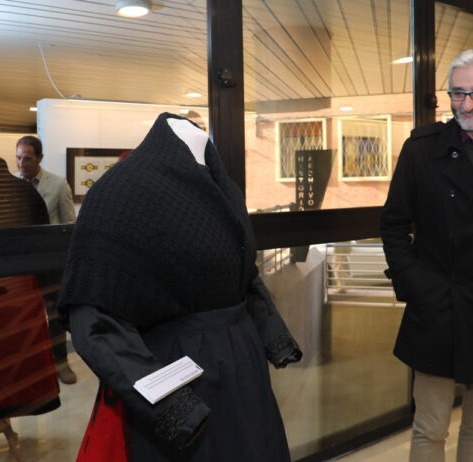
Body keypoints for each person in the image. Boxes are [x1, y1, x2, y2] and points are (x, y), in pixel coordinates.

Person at [56, 112, 302, 461]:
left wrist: (272, 335)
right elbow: (92, 317)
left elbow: (240, 274)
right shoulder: (121, 190)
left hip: (242, 365)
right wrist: (169, 405)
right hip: (178, 367)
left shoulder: (224, 187)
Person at [380, 48, 473, 462]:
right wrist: (417, 287)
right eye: (457, 93)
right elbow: (394, 225)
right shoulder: (421, 149)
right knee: (430, 428)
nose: (467, 104)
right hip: (436, 307)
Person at [0, 156, 60, 459]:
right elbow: (40, 240)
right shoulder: (23, 191)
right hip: (18, 288)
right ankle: (2, 413)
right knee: (15, 352)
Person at [16, 135, 77, 384]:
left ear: (39, 158)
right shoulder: (10, 184)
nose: (21, 163)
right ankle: (28, 367)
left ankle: (61, 363)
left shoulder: (58, 185)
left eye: (27, 158)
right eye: (18, 157)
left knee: (54, 315)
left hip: (50, 265)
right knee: (22, 317)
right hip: (19, 266)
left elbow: (70, 225)